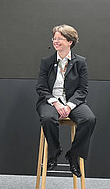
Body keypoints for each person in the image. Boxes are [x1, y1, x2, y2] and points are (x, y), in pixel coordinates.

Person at [36, 25, 96, 177]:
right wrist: (55, 102)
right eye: (54, 38)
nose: (55, 42)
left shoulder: (80, 62)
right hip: (50, 101)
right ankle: (54, 152)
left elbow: (83, 90)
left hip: (73, 102)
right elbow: (41, 88)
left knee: (89, 119)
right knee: (48, 118)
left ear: (70, 41)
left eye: (59, 39)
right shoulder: (46, 62)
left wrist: (68, 106)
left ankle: (74, 155)